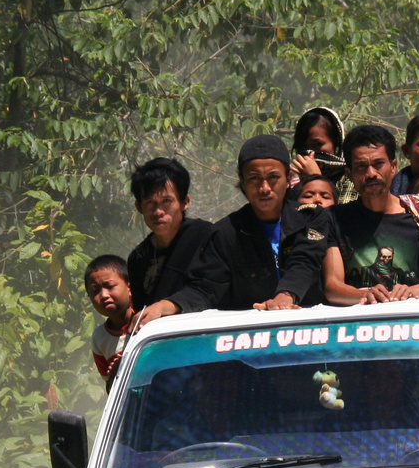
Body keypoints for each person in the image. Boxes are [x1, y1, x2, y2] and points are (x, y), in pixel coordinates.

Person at [138, 135, 332, 320]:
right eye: (255, 178)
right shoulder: (225, 232)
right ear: (242, 181)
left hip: (310, 330)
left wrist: (286, 296)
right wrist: (165, 306)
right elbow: (207, 286)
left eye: (273, 177)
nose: (264, 188)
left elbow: (305, 261)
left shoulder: (312, 217)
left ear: (288, 178)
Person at [324, 124, 419, 303]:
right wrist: (364, 295)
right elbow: (332, 286)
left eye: (378, 164)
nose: (371, 174)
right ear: (349, 173)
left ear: (393, 167)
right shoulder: (334, 218)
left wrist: (409, 292)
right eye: (361, 166)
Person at [125, 157, 217, 310]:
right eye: (150, 202)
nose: (158, 211)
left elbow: (209, 290)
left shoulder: (207, 238)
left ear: (185, 202)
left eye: (166, 201)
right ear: (139, 207)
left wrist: (166, 307)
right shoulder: (138, 258)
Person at [85, 255, 136, 384]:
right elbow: (109, 383)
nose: (103, 295)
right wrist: (116, 373)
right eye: (95, 291)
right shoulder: (99, 337)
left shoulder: (148, 320)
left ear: (129, 288)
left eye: (110, 286)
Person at [291, 106, 346, 190]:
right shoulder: (292, 187)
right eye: (303, 147)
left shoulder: (353, 181)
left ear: (336, 144)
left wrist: (315, 179)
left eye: (317, 144)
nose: (310, 153)